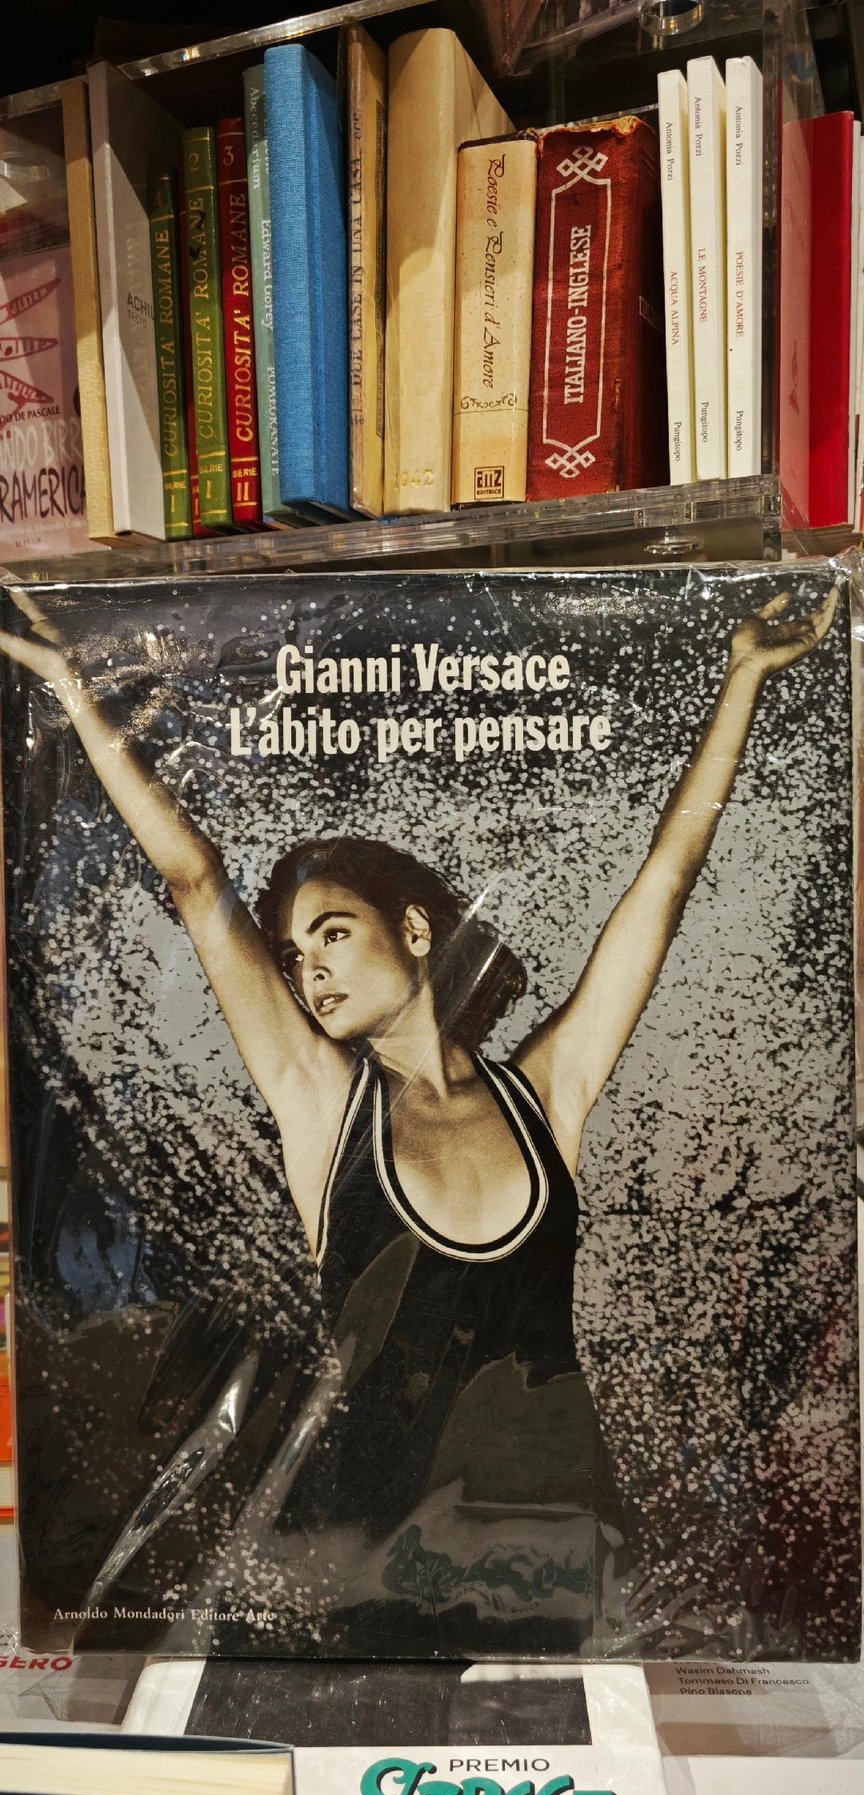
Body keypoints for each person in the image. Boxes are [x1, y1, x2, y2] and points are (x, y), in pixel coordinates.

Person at [0, 581, 838, 1650]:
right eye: (294, 958)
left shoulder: (545, 1097)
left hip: (552, 1564)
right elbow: (198, 883)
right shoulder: (324, 1108)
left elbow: (664, 886)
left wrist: (742, 679)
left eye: (333, 934)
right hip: (364, 1580)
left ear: (412, 929)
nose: (310, 972)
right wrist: (71, 687)